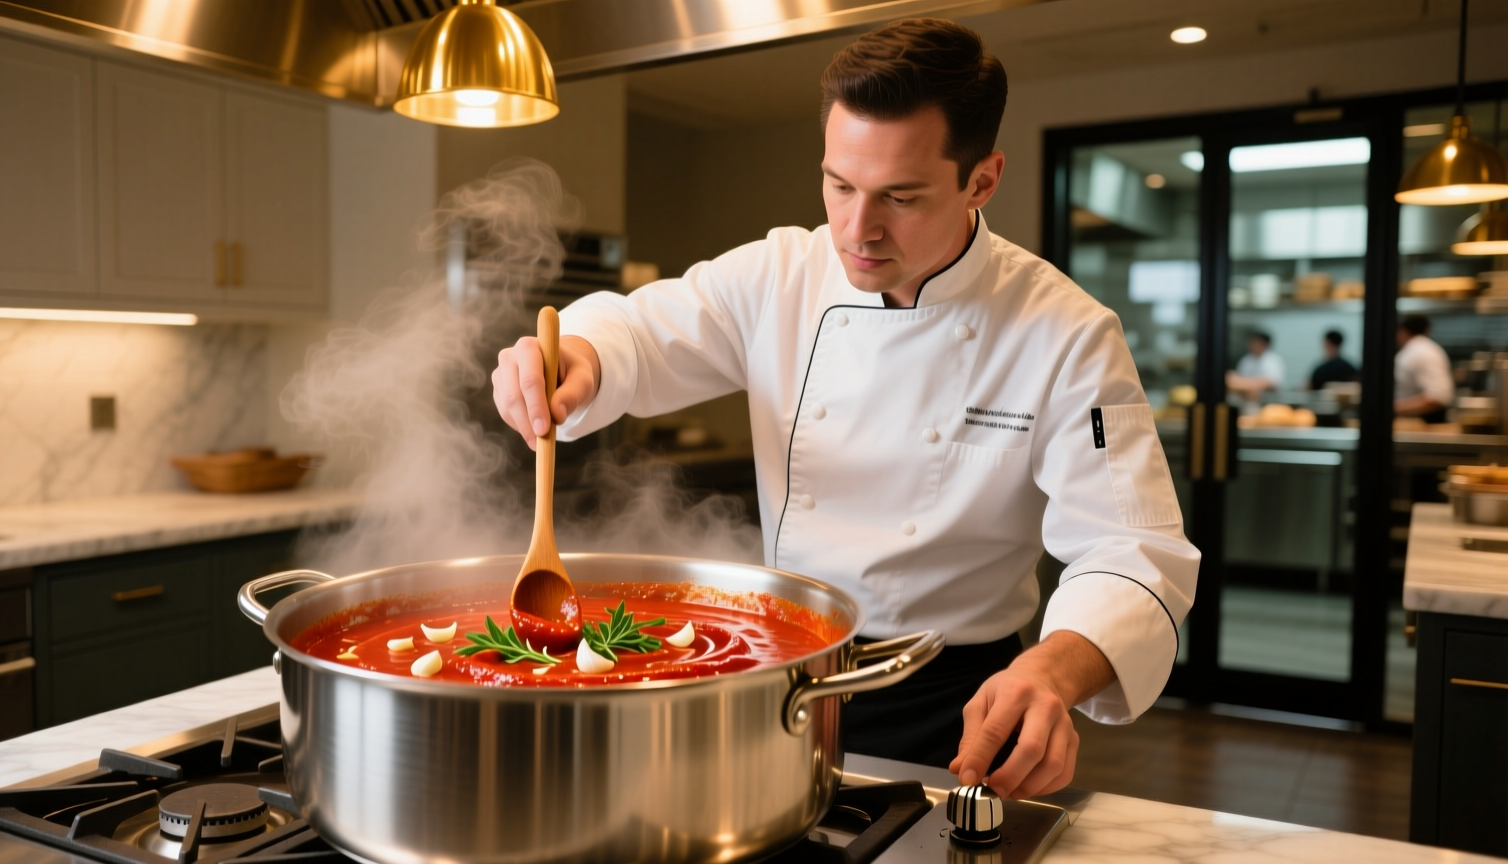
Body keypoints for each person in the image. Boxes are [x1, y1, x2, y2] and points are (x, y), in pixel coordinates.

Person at [490, 19, 1199, 800]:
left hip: (956, 706)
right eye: (839, 185)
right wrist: (581, 358)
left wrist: (1052, 669)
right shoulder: (781, 275)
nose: (856, 231)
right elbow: (637, 331)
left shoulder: (1066, 333)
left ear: (982, 181)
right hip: (778, 678)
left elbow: (1134, 548)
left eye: (900, 196)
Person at [1394, 315, 1453, 424]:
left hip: (1420, 424)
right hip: (1409, 423)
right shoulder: (1422, 349)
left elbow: (1438, 397)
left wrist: (1392, 409)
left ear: (1402, 330)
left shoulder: (1420, 352)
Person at [1226, 330, 1285, 403]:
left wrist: (1240, 382)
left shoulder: (1272, 360)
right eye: (1251, 342)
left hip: (1268, 403)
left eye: (1256, 342)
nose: (1253, 345)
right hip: (1246, 401)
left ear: (1265, 344)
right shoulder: (1246, 360)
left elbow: (1270, 383)